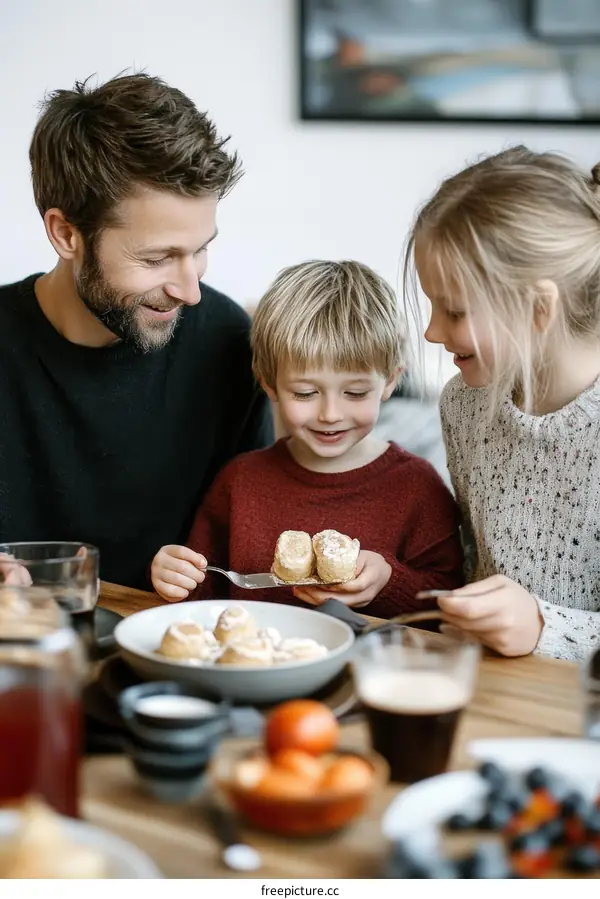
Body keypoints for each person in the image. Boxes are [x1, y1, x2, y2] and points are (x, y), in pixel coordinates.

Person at [0, 73, 273, 589]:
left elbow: (244, 545)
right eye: (156, 258)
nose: (189, 291)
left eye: (200, 249)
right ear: (65, 234)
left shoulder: (226, 342)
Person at [151, 260, 464, 617]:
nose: (330, 413)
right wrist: (177, 580)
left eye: (356, 393)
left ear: (390, 381)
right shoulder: (239, 482)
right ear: (268, 383)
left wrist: (389, 581)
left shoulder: (418, 488)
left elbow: (446, 605)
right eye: (305, 393)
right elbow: (204, 593)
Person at [406, 145, 600, 663]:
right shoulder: (464, 405)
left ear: (539, 307)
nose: (431, 331)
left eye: (454, 310)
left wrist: (543, 628)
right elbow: (470, 564)